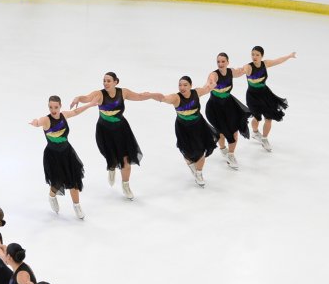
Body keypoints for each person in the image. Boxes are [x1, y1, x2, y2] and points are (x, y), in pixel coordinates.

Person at [69, 72, 152, 200]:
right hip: (104, 131)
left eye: (108, 81)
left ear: (115, 82)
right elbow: (86, 98)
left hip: (122, 130)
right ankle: (112, 167)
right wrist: (77, 98)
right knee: (111, 157)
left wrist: (150, 95)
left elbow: (139, 96)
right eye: (104, 81)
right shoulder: (99, 94)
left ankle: (125, 185)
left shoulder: (123, 92)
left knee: (126, 160)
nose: (105, 83)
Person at [146, 76, 219, 187]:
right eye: (180, 85)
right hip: (183, 128)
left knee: (202, 149)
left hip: (199, 125)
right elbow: (164, 98)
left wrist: (212, 83)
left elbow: (208, 88)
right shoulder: (176, 98)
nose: (182, 87)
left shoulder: (196, 92)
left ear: (191, 85)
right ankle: (191, 165)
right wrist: (152, 95)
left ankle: (199, 173)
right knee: (186, 151)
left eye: (185, 85)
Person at [29, 95, 93, 218]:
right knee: (57, 183)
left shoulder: (64, 115)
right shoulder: (46, 120)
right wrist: (35, 123)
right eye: (50, 107)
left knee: (74, 181)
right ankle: (52, 197)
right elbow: (39, 122)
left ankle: (77, 206)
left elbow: (75, 111)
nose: (53, 109)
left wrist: (89, 105)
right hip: (53, 156)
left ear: (60, 106)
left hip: (67, 153)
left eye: (56, 107)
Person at [202, 53, 251, 170]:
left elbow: (242, 71)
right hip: (214, 108)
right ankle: (223, 148)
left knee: (234, 131)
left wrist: (247, 68)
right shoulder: (214, 75)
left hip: (229, 105)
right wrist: (210, 85)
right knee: (221, 132)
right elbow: (210, 81)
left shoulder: (231, 72)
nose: (220, 64)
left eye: (223, 61)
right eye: (218, 62)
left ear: (228, 62)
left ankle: (231, 154)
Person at [242, 46, 296, 151]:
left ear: (262, 56)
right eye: (253, 54)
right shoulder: (248, 67)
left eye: (257, 55)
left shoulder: (265, 64)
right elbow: (240, 71)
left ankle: (265, 138)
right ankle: (255, 132)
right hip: (252, 96)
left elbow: (278, 61)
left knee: (269, 118)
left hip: (265, 94)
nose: (254, 56)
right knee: (257, 118)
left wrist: (289, 56)